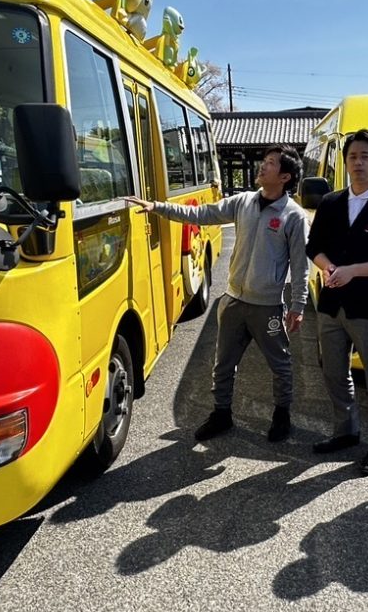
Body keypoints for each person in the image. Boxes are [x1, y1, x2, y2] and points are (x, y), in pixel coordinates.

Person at [125, 145, 307, 443]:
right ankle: (221, 414)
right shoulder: (243, 202)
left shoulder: (294, 216)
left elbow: (300, 266)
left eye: (271, 163)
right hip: (233, 301)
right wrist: (158, 207)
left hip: (267, 307)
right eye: (264, 160)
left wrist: (298, 305)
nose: (263, 166)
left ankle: (281, 416)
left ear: (285, 176)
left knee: (280, 365)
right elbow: (202, 213)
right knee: (223, 364)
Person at [305, 129, 368, 474]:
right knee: (334, 371)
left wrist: (352, 271)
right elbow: (313, 246)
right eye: (352, 156)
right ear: (345, 162)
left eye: (365, 156)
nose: (358, 162)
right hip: (331, 305)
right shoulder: (331, 203)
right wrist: (328, 267)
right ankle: (345, 430)